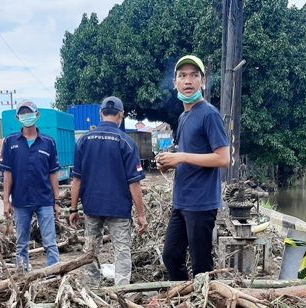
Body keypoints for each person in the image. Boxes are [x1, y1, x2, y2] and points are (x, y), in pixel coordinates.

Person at [157, 55, 230, 280]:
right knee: (170, 256)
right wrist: (170, 163)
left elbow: (223, 158)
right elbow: (189, 154)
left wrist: (181, 157)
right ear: (175, 83)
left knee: (202, 266)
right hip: (182, 201)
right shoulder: (183, 116)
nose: (188, 81)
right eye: (182, 76)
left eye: (194, 75)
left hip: (201, 203)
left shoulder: (209, 114)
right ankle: (185, 300)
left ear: (203, 81)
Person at [69, 96, 147, 286]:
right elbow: (134, 183)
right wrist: (141, 215)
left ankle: (92, 287)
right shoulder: (126, 142)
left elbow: (76, 180)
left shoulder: (84, 141)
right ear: (121, 115)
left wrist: (73, 209)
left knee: (91, 250)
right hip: (118, 208)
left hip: (92, 206)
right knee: (121, 250)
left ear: (101, 114)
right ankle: (121, 290)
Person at [0, 100, 60, 271]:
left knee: (50, 242)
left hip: (45, 201)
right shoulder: (11, 142)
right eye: (23, 113)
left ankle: (55, 275)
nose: (27, 116)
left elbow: (53, 173)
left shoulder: (48, 142)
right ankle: (22, 276)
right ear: (18, 117)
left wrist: (56, 201)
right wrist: (6, 200)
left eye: (30, 112)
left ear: (37, 115)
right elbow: (8, 173)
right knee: (21, 244)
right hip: (20, 201)